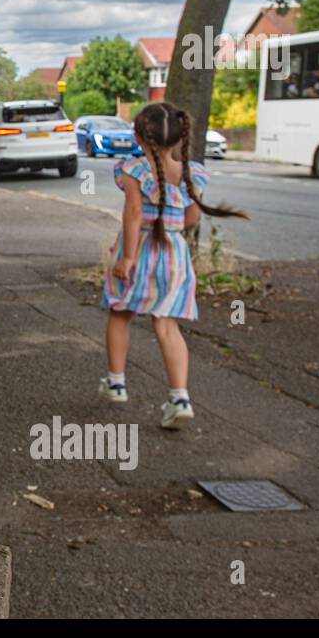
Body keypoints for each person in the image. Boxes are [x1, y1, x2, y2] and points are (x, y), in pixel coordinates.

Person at [99, 102, 249, 428]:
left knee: (120, 313)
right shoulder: (193, 173)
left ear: (139, 138)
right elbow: (191, 219)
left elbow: (134, 214)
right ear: (180, 138)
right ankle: (180, 397)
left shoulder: (132, 170)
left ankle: (116, 382)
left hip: (138, 251)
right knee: (167, 325)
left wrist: (126, 257)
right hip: (174, 254)